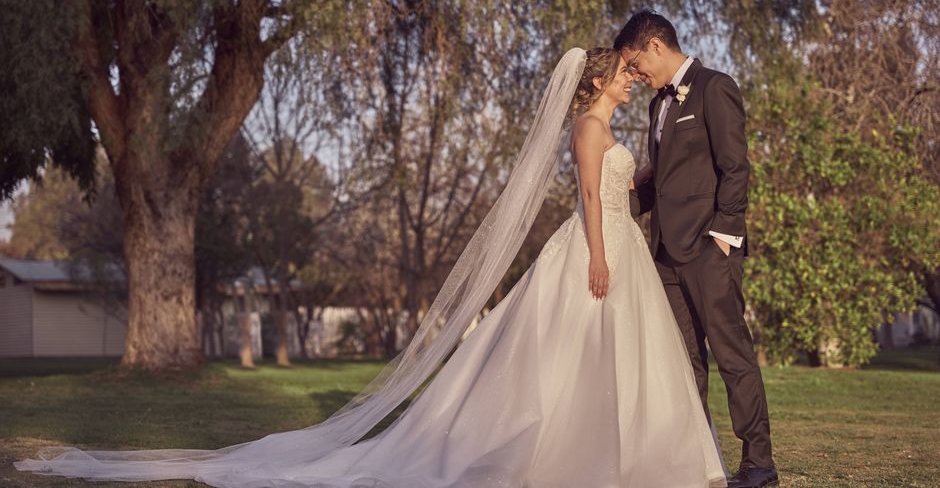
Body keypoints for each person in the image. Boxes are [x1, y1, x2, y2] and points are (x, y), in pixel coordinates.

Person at [16, 48, 726, 487]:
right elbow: (586, 196)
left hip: (619, 247)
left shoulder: (610, 131)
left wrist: (655, 174)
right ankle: (575, 456)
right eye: (626, 75)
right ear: (599, 80)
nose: (634, 82)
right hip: (598, 252)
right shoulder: (589, 128)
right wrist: (600, 258)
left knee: (611, 359)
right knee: (571, 358)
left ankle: (623, 454)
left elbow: (616, 187)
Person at [616, 9, 778, 488]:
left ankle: (759, 466)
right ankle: (696, 462)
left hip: (711, 252)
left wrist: (724, 238)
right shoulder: (655, 107)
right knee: (684, 365)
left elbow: (736, 168)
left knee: (732, 358)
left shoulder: (715, 87)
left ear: (656, 46)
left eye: (634, 63)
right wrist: (611, 207)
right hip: (664, 256)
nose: (634, 75)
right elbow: (662, 186)